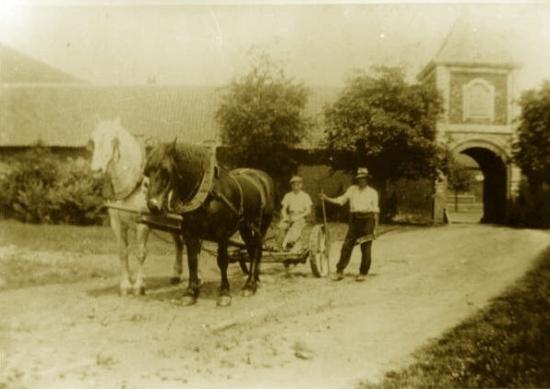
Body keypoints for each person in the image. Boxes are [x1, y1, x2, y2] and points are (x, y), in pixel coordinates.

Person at [320, 167, 379, 282]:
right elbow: (340, 200)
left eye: (364, 179)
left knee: (366, 247)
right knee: (347, 245)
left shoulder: (373, 192)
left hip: (368, 220)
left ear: (367, 180)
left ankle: (363, 272)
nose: (361, 181)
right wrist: (326, 198)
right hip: (354, 220)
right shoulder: (352, 190)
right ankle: (339, 271)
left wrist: (375, 228)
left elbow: (376, 212)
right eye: (359, 179)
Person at [278, 176, 313, 251]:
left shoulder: (305, 196)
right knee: (281, 226)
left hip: (301, 217)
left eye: (298, 184)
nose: (296, 186)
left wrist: (299, 217)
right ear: (291, 185)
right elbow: (283, 209)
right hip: (290, 216)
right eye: (294, 184)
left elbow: (308, 210)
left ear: (301, 185)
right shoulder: (288, 195)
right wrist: (285, 217)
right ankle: (280, 246)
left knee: (295, 228)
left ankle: (290, 244)